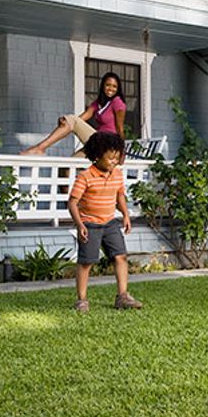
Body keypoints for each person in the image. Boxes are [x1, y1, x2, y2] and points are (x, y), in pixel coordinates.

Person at [68, 132, 142, 312]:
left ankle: (123, 296)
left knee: (120, 256)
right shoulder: (85, 176)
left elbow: (120, 196)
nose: (114, 161)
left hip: (110, 223)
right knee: (87, 262)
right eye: (110, 158)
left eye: (117, 157)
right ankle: (82, 300)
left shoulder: (117, 174)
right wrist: (80, 224)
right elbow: (72, 202)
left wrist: (125, 215)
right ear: (96, 156)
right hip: (90, 224)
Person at [20, 72, 127, 155]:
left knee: (72, 120)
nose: (110, 89)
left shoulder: (117, 102)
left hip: (108, 143)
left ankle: (39, 148)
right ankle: (67, 184)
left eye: (114, 86)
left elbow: (120, 128)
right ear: (103, 86)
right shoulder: (97, 104)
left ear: (118, 89)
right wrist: (66, 122)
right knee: (67, 168)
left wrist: (122, 153)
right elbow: (79, 120)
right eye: (108, 85)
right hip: (96, 142)